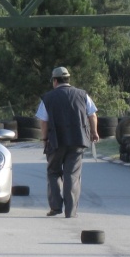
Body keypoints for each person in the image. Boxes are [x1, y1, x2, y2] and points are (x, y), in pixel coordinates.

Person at [35, 67, 99, 218]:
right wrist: (94, 132)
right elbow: (93, 115)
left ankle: (55, 207)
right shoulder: (83, 95)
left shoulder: (48, 98)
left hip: (55, 141)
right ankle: (70, 211)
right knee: (72, 175)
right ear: (68, 79)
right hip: (78, 141)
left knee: (53, 172)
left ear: (55, 81)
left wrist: (44, 139)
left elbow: (44, 122)